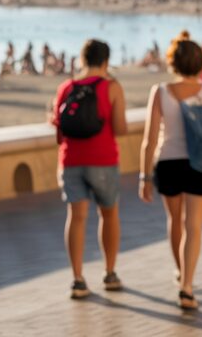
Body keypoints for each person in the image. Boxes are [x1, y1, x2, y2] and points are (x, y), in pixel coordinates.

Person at [139, 33, 202, 311]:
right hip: (201, 163)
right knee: (194, 226)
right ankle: (187, 286)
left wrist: (144, 176)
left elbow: (149, 139)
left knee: (175, 220)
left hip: (169, 162)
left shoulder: (161, 91)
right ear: (199, 63)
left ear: (172, 62)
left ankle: (180, 271)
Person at [50, 39, 128, 300]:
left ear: (81, 60)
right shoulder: (111, 87)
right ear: (106, 61)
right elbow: (120, 128)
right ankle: (110, 272)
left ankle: (78, 279)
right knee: (108, 214)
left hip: (71, 160)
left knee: (76, 217)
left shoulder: (65, 88)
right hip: (103, 158)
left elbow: (59, 133)